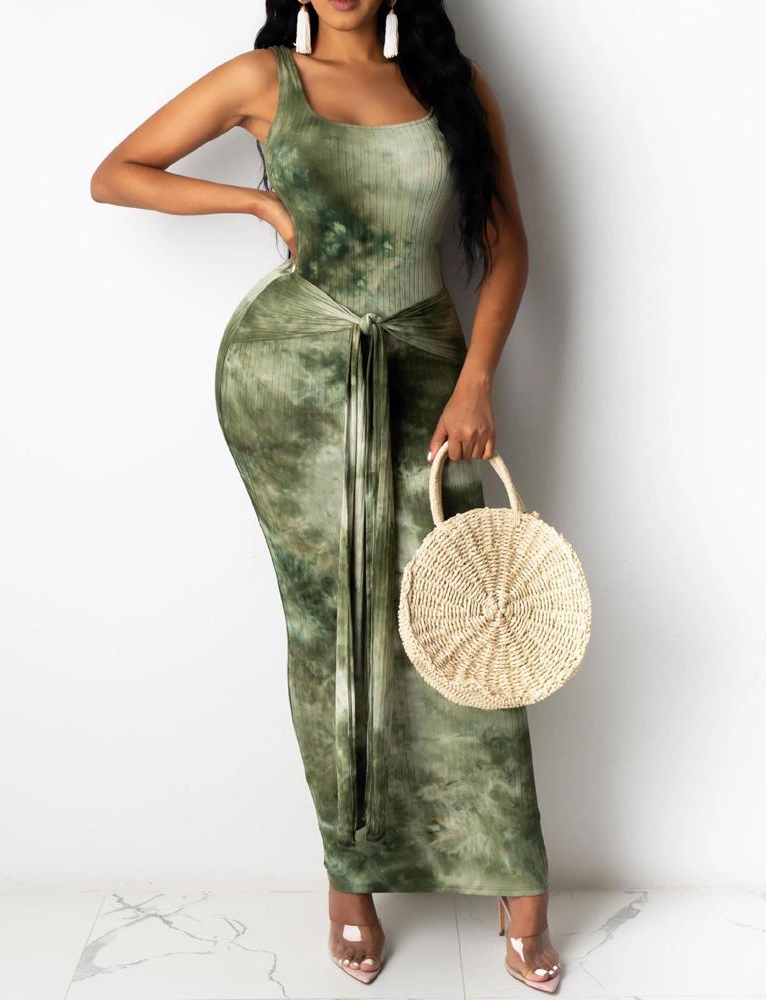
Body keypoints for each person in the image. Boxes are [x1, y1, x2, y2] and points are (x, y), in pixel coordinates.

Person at [90, 0, 561, 992]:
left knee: (469, 611)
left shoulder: (451, 85)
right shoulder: (261, 79)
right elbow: (116, 173)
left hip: (429, 369)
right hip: (289, 376)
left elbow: (508, 245)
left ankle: (518, 879)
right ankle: (350, 881)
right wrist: (257, 206)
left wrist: (476, 379)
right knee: (330, 631)